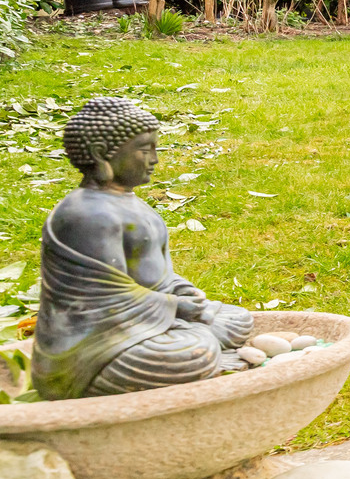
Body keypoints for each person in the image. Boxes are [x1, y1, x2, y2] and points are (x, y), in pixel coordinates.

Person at [32, 97, 254, 400]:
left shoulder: (136, 206)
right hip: (97, 345)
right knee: (193, 351)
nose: (155, 159)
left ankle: (201, 348)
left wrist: (183, 293)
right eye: (144, 149)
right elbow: (101, 299)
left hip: (150, 320)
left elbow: (156, 274)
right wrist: (175, 307)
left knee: (236, 320)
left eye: (155, 148)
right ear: (101, 154)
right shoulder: (87, 215)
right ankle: (201, 356)